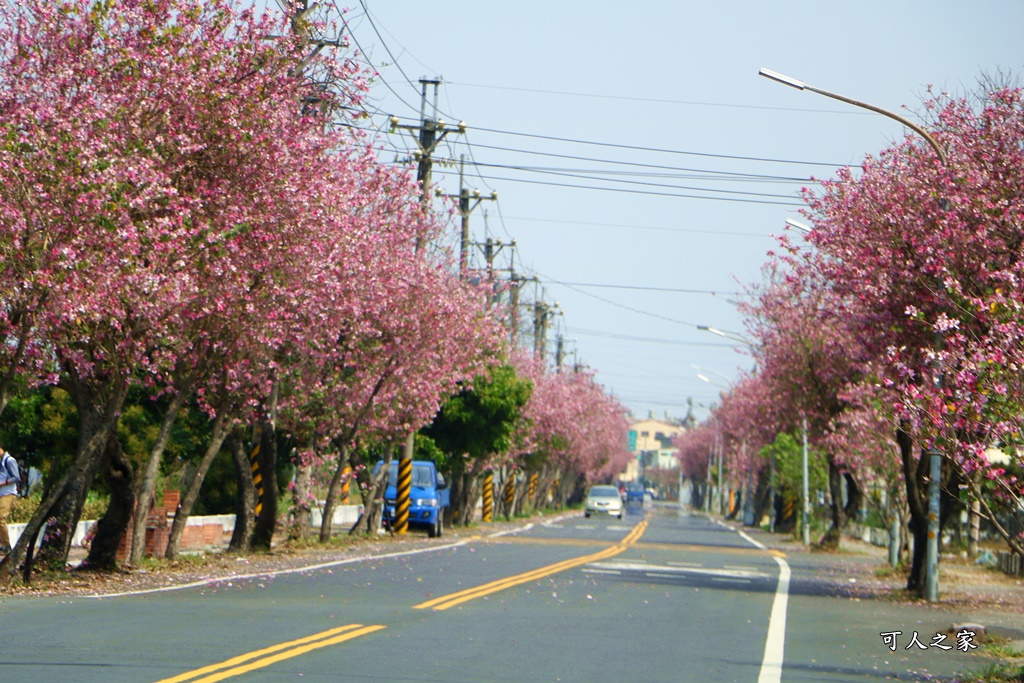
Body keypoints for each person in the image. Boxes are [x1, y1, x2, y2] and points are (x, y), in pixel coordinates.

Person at [0, 446, 19, 554]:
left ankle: (6, 545)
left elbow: (16, 477)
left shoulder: (9, 460)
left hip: (8, 494)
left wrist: (2, 484)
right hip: (1, 494)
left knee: (0, 518)